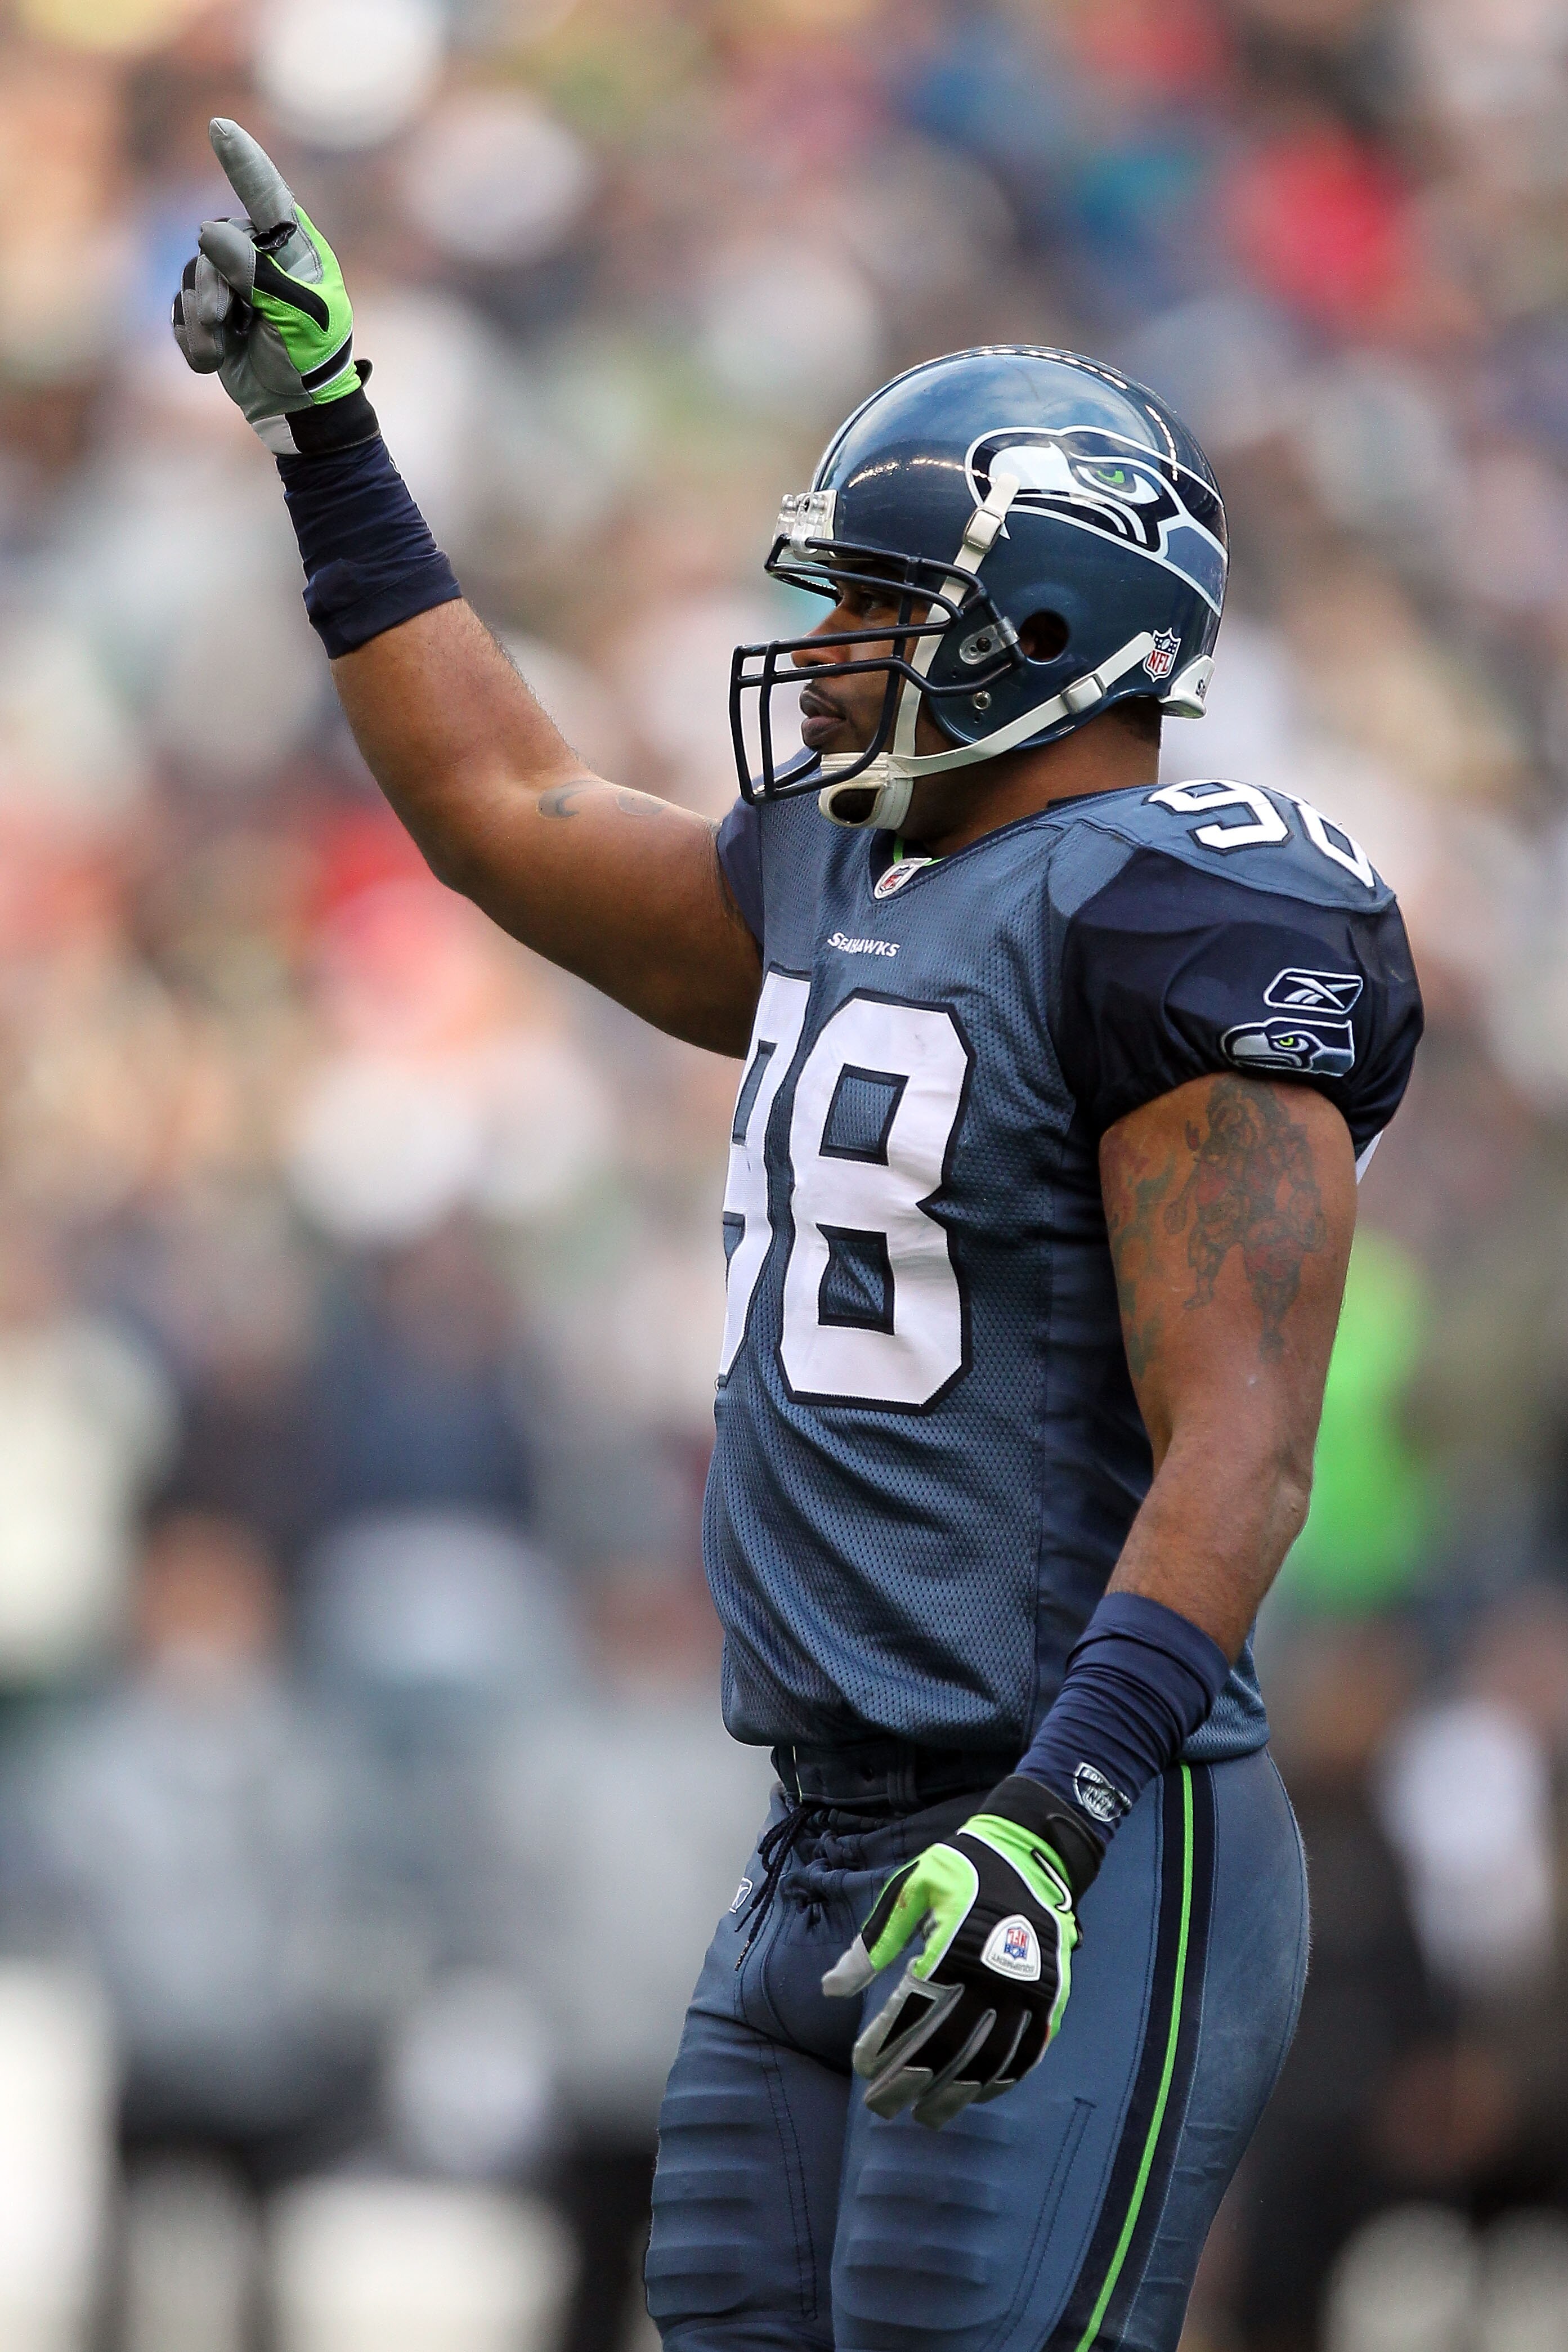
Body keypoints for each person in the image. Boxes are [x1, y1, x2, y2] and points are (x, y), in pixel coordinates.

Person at [173, 125, 1423, 2352]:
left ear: (1048, 620)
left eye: (873, 603)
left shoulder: (1189, 911)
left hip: (1071, 1831)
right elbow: (505, 808)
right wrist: (323, 428)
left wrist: (1051, 1824)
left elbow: (1244, 1443)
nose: (824, 652)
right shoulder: (849, 880)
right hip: (819, 1840)